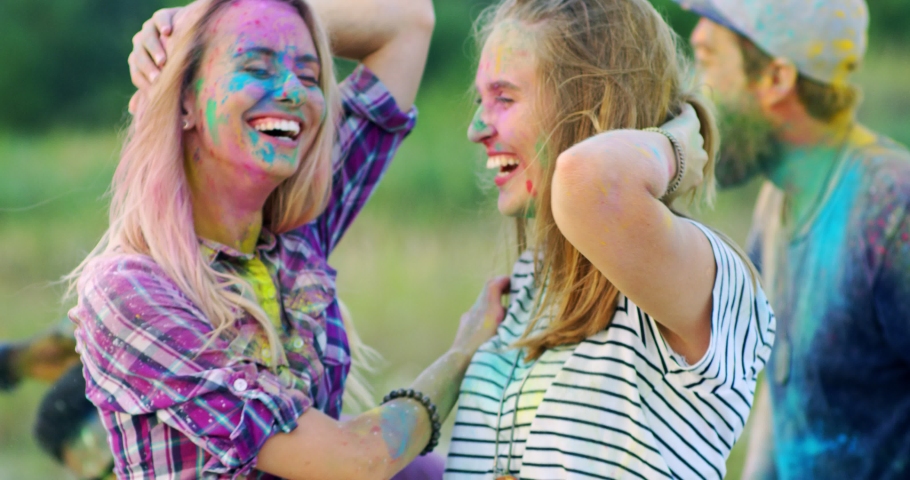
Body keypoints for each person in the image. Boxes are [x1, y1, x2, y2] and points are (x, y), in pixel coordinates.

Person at [69, 0, 512, 479]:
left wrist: (207, 14)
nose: (291, 91)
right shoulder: (131, 291)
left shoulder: (295, 237)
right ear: (185, 101)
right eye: (256, 67)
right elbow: (353, 462)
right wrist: (461, 356)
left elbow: (408, 22)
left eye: (309, 74)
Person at [439, 0, 775, 478]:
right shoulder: (529, 286)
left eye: (505, 98)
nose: (476, 129)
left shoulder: (701, 275)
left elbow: (589, 180)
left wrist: (682, 138)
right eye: (480, 101)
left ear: (591, 104)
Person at [677, 0, 910, 478]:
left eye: (707, 62)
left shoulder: (891, 211)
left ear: (777, 79)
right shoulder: (777, 201)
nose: (690, 101)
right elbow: (787, 401)